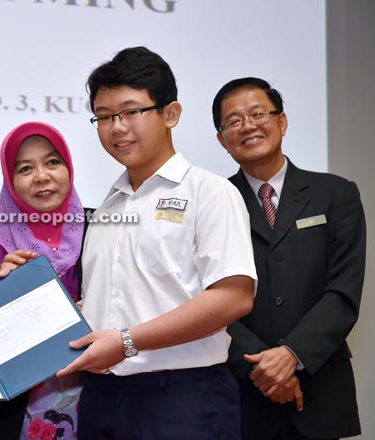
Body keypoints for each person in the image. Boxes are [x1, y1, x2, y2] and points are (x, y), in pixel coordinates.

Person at [40, 46, 257, 439]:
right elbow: (104, 301)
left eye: (130, 111)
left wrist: (125, 342)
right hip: (103, 398)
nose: (117, 127)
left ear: (170, 113)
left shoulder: (210, 192)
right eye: (104, 117)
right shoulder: (107, 207)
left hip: (182, 399)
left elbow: (233, 297)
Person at [212, 77, 366, 440]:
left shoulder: (336, 193)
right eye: (233, 121)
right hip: (242, 391)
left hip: (320, 389)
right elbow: (202, 297)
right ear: (222, 139)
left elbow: (343, 291)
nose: (248, 125)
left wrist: (292, 355)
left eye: (258, 113)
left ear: (281, 121)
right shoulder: (213, 202)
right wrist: (264, 367)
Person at [0, 121, 90, 440]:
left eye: (53, 162)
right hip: (4, 416)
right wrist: (2, 293)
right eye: (25, 168)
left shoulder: (101, 226)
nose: (42, 176)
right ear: (9, 178)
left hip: (93, 401)